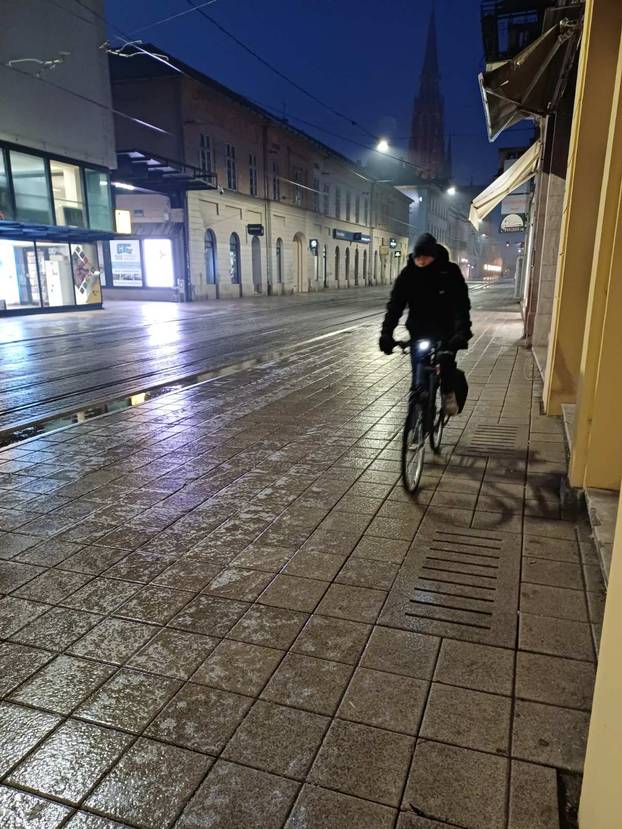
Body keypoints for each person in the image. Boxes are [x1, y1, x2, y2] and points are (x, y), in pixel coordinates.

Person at [379, 232, 472, 415]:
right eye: (418, 257)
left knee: (445, 362)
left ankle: (447, 393)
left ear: (434, 256)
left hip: (446, 331)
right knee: (418, 377)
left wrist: (462, 331)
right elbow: (395, 305)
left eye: (426, 257)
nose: (421, 261)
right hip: (419, 330)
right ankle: (416, 411)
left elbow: (461, 304)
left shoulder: (449, 272)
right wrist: (386, 333)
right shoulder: (409, 273)